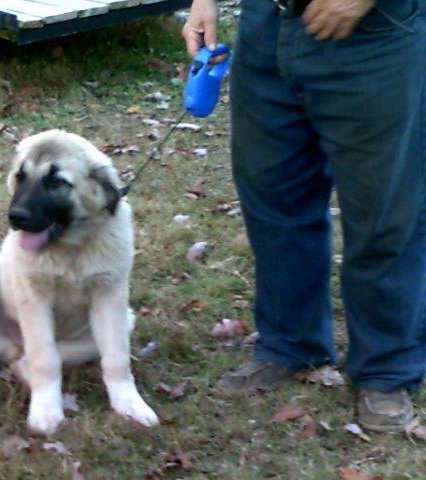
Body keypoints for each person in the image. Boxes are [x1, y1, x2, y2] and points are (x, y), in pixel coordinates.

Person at [182, 0, 425, 431]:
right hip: (267, 27)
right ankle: (290, 343)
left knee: (385, 209)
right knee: (274, 193)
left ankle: (386, 368)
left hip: (375, 31)